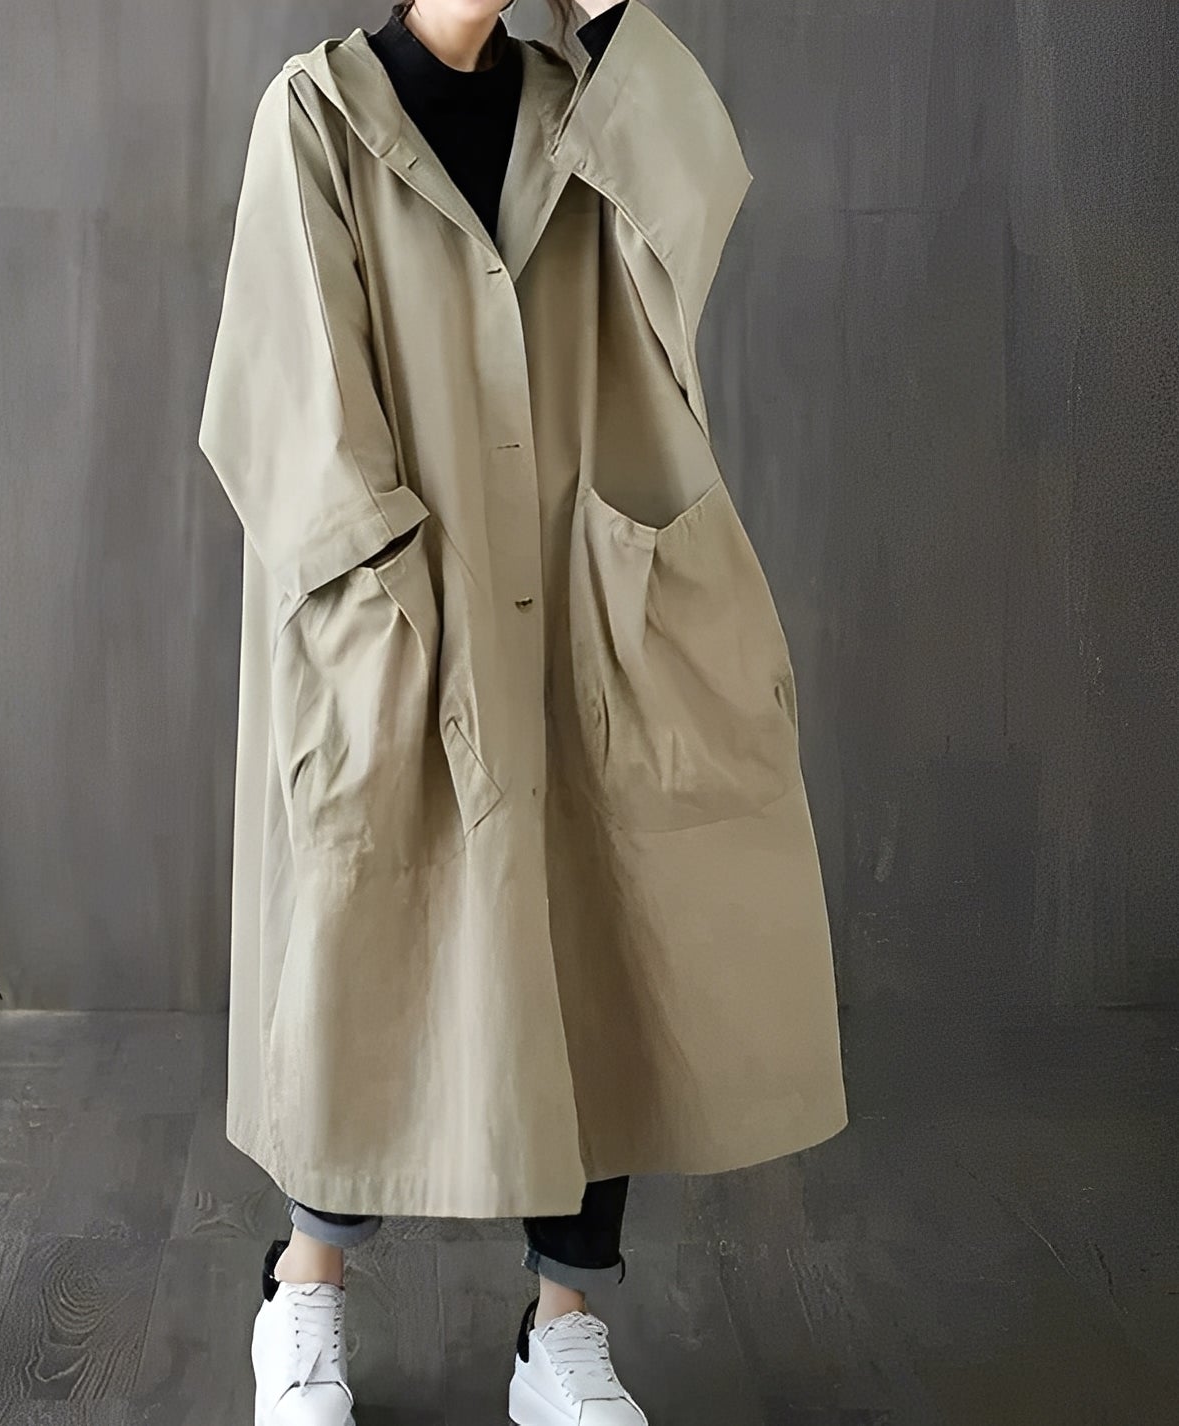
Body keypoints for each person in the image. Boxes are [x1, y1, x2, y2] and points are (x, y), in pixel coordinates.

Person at [198, 2, 850, 1423]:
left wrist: (607, 13)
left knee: (591, 953)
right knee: (364, 947)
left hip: (576, 599)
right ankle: (303, 1291)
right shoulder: (317, 112)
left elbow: (692, 213)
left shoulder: (581, 102)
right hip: (405, 608)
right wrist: (386, 601)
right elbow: (285, 404)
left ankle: (563, 1328)